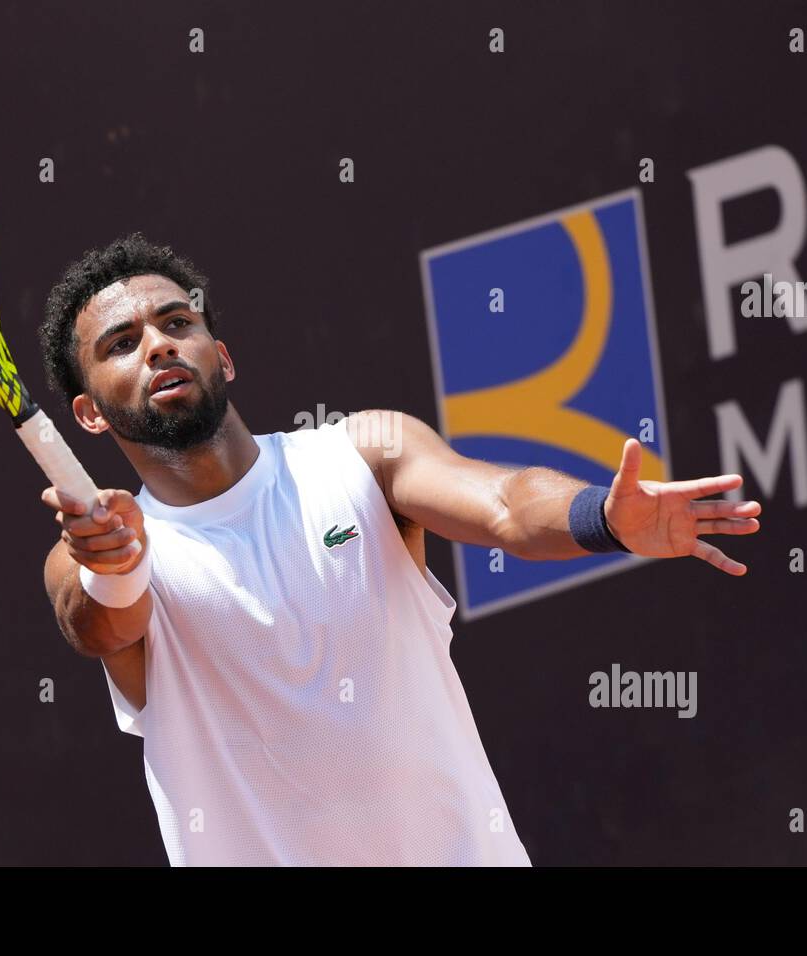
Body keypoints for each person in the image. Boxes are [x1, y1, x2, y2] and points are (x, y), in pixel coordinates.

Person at [37, 233, 762, 866]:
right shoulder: (96, 553)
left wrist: (598, 514)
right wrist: (116, 562)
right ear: (89, 414)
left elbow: (506, 505)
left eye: (177, 323)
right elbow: (98, 623)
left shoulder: (363, 453)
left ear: (221, 357)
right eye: (122, 344)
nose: (159, 344)